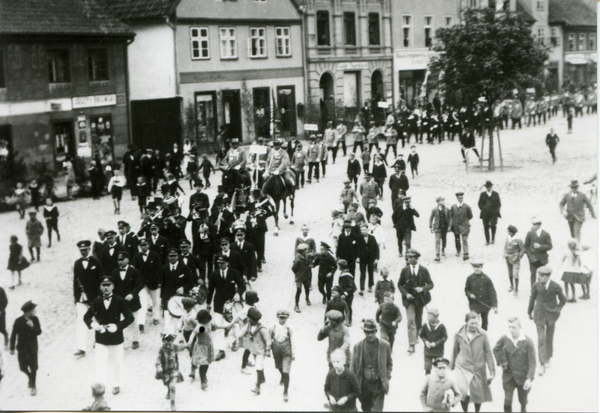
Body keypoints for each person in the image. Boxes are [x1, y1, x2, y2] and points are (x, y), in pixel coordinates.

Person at [84, 276, 134, 394]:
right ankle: (100, 386)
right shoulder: (96, 301)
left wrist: (118, 326)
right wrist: (93, 325)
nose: (106, 287)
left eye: (108, 285)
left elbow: (130, 317)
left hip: (116, 338)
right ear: (100, 287)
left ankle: (116, 383)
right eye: (103, 285)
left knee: (117, 362)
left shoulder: (119, 300)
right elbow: (86, 317)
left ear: (113, 286)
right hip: (101, 338)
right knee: (100, 362)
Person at [450, 312, 496, 413]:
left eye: (476, 323)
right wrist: (451, 367)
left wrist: (492, 372)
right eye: (472, 323)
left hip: (478, 368)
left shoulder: (483, 334)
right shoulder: (459, 334)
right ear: (466, 322)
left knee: (477, 392)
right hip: (462, 367)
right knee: (463, 391)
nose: (474, 326)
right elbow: (454, 351)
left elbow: (488, 352)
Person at [206, 254, 246, 361]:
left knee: (234, 324)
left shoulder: (234, 273)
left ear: (227, 263)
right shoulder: (214, 274)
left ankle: (235, 341)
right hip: (218, 304)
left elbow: (242, 285)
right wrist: (208, 304)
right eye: (218, 263)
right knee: (219, 326)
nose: (220, 265)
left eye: (222, 263)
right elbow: (210, 289)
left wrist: (238, 293)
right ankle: (221, 351)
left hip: (231, 303)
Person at [528, 266, 566, 376]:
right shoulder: (536, 285)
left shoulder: (555, 286)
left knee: (549, 337)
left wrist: (557, 309)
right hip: (539, 314)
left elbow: (563, 299)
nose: (539, 278)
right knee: (541, 339)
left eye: (542, 276)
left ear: (548, 276)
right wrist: (529, 311)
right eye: (539, 276)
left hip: (551, 315)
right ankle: (542, 363)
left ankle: (548, 356)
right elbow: (532, 298)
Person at [493, 317, 536, 413]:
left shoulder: (528, 341)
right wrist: (502, 361)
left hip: (523, 377)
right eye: (510, 327)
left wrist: (529, 378)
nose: (511, 330)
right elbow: (496, 349)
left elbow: (532, 362)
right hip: (508, 376)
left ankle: (523, 408)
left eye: (514, 327)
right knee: (507, 400)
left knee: (523, 400)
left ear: (520, 327)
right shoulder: (505, 338)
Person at [350, 319, 393, 412]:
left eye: (372, 332)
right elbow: (352, 367)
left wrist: (387, 377)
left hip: (379, 384)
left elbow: (389, 363)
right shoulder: (357, 347)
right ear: (364, 332)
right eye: (367, 332)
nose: (370, 335)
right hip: (363, 385)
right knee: (366, 408)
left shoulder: (385, 346)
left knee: (377, 410)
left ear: (376, 331)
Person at [398, 249, 434, 354]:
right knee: (410, 321)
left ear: (416, 258)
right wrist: (406, 294)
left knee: (418, 321)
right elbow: (399, 284)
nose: (409, 259)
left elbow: (431, 284)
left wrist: (422, 288)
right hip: (409, 301)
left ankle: (417, 334)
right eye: (408, 257)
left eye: (411, 257)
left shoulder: (424, 270)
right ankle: (411, 345)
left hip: (421, 300)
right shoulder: (404, 270)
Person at [73, 240, 103, 357]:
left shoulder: (96, 262)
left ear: (89, 249)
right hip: (81, 298)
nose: (83, 252)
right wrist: (76, 299)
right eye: (81, 250)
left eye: (85, 250)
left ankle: (99, 341)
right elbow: (75, 282)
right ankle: (81, 347)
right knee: (80, 321)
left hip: (94, 297)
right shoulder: (77, 263)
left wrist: (99, 297)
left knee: (96, 319)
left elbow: (101, 280)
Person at [111, 251, 143, 349]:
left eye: (122, 259)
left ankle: (135, 340)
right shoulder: (114, 272)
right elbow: (113, 286)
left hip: (132, 301)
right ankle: (120, 339)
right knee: (120, 321)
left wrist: (132, 294)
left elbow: (139, 285)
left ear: (127, 260)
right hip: (120, 302)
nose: (120, 262)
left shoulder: (134, 272)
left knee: (134, 320)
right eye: (118, 260)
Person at [10, 300, 42, 396]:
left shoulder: (35, 320)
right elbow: (13, 335)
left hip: (32, 348)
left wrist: (33, 327)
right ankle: (30, 378)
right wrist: (11, 348)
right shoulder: (18, 321)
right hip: (22, 349)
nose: (35, 312)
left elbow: (39, 332)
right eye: (33, 310)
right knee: (23, 367)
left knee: (33, 368)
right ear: (28, 312)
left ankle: (33, 385)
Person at [162, 248, 195, 334]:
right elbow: (162, 285)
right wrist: (162, 300)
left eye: (174, 256)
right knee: (168, 321)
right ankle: (169, 338)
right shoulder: (164, 268)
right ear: (168, 257)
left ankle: (181, 338)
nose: (172, 258)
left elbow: (191, 283)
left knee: (181, 321)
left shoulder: (184, 268)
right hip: (168, 298)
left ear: (178, 256)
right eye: (170, 256)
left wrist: (183, 288)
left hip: (181, 298)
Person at [239, 308, 271, 395]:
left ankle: (258, 387)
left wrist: (268, 350)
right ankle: (262, 378)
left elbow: (268, 340)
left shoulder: (262, 329)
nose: (249, 320)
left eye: (250, 319)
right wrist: (239, 334)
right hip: (254, 350)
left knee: (258, 367)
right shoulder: (249, 325)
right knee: (259, 364)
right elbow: (241, 332)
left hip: (261, 351)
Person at [155, 332, 186, 410]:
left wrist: (184, 342)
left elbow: (182, 347)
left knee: (173, 386)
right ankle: (169, 390)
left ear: (172, 341)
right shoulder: (161, 350)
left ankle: (172, 403)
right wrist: (159, 367)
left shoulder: (175, 347)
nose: (168, 342)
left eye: (170, 341)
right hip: (165, 372)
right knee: (168, 384)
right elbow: (157, 360)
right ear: (163, 341)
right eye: (166, 340)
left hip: (174, 370)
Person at [464, 261, 498, 331]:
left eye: (478, 267)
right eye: (475, 267)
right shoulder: (469, 278)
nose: (477, 269)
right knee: (474, 320)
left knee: (485, 322)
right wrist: (470, 294)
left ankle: (483, 335)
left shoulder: (486, 279)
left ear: (481, 268)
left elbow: (492, 292)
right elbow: (466, 289)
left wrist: (495, 306)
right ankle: (474, 334)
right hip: (474, 304)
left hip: (485, 304)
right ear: (473, 268)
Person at [187, 309, 216, 390]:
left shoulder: (208, 324)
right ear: (203, 320)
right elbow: (194, 333)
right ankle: (203, 381)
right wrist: (189, 341)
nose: (208, 321)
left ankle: (204, 377)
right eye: (207, 320)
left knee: (206, 364)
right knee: (203, 364)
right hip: (202, 348)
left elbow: (214, 327)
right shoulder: (202, 327)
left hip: (208, 347)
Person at [270, 310, 294, 402]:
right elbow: (269, 338)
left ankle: (285, 392)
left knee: (286, 371)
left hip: (287, 351)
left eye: (284, 318)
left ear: (287, 318)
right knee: (279, 366)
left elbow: (293, 340)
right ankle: (282, 376)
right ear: (277, 317)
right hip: (276, 350)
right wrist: (268, 349)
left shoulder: (289, 328)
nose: (283, 320)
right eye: (281, 318)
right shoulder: (273, 326)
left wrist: (294, 353)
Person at [524, 217, 553, 287]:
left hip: (542, 258)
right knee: (533, 275)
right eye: (533, 225)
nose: (533, 226)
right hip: (533, 258)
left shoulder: (546, 234)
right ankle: (533, 290)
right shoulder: (530, 234)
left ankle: (541, 289)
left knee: (542, 274)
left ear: (539, 225)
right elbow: (526, 246)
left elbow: (550, 246)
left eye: (535, 225)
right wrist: (529, 255)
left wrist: (540, 246)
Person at [419, 308, 448, 376]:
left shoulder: (441, 326)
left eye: (429, 316)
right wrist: (425, 341)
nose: (427, 317)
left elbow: (444, 337)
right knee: (427, 367)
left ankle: (437, 380)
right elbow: (421, 335)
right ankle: (427, 381)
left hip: (438, 351)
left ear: (435, 317)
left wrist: (436, 343)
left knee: (438, 366)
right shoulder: (426, 325)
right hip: (428, 351)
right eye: (427, 315)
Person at [450, 192, 473, 261]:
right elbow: (451, 216)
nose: (461, 199)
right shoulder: (453, 207)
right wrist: (452, 224)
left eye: (462, 198)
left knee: (465, 240)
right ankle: (458, 250)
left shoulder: (467, 207)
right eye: (459, 198)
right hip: (456, 226)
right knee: (457, 239)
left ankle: (466, 253)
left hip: (465, 226)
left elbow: (470, 216)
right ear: (457, 198)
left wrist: (464, 221)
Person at [357, 224, 380, 296]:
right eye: (362, 230)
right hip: (362, 259)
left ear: (368, 230)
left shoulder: (372, 238)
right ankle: (362, 288)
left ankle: (370, 286)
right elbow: (356, 249)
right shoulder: (359, 238)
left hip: (371, 258)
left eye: (365, 230)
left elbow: (376, 249)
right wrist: (357, 257)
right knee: (362, 273)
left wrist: (376, 258)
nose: (363, 231)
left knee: (371, 272)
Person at [478, 181, 502, 245]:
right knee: (486, 226)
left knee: (493, 225)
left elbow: (499, 204)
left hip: (493, 213)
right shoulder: (482, 194)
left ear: (491, 187)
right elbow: (480, 203)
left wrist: (497, 210)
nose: (488, 188)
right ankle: (487, 240)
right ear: (486, 187)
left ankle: (493, 238)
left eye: (489, 187)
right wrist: (483, 209)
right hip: (485, 213)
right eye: (487, 187)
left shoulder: (495, 194)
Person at [504, 225, 525, 296]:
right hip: (508, 258)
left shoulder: (518, 239)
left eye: (509, 232)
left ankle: (516, 288)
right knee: (509, 272)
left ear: (513, 232)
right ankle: (511, 285)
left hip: (515, 258)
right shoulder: (507, 237)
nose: (508, 233)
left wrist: (519, 256)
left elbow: (522, 249)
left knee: (515, 273)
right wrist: (505, 254)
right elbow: (505, 246)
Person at [292, 244, 312, 313]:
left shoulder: (306, 256)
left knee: (307, 288)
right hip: (300, 277)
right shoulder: (298, 259)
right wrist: (298, 273)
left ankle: (307, 298)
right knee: (299, 290)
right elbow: (294, 268)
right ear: (302, 251)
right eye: (306, 250)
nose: (307, 251)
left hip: (306, 276)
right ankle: (296, 305)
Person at [430, 196, 450, 262]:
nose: (443, 202)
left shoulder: (447, 209)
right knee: (437, 241)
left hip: (445, 227)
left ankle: (443, 249)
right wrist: (430, 226)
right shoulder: (434, 209)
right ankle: (437, 254)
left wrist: (450, 226)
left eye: (443, 200)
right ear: (438, 202)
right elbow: (431, 218)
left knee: (444, 240)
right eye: (442, 200)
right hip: (437, 228)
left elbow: (450, 218)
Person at [337, 259, 357, 325]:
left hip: (348, 294)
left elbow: (350, 286)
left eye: (339, 265)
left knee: (348, 307)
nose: (338, 267)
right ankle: (343, 319)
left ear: (341, 266)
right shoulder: (343, 273)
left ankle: (349, 320)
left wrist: (345, 292)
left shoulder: (347, 275)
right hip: (343, 293)